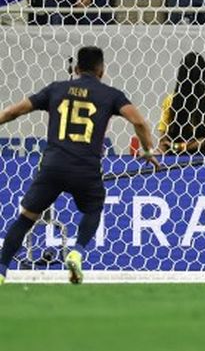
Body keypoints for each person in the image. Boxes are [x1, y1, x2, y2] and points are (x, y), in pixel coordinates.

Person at [0, 46, 158, 285]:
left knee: (26, 218)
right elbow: (139, 121)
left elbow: (14, 112)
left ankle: (1, 270)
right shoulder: (110, 95)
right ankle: (76, 251)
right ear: (101, 70)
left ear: (76, 69)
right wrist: (147, 150)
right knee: (93, 208)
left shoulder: (56, 89)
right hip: (86, 168)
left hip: (52, 167)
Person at [157, 52, 205, 155]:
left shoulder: (171, 99)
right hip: (202, 161)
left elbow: (163, 138)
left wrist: (178, 147)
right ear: (204, 74)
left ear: (181, 74)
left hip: (174, 158)